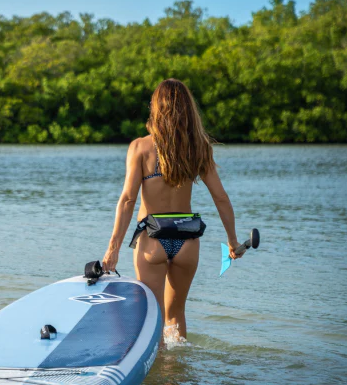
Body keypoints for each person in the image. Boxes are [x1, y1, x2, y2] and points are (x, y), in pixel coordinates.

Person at [101, 79, 243, 341]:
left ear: (156, 108)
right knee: (176, 317)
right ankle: (176, 378)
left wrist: (113, 249)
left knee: (151, 317)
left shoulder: (140, 148)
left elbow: (127, 201)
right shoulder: (199, 147)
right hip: (187, 240)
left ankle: (157, 376)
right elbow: (221, 198)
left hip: (152, 241)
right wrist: (232, 241)